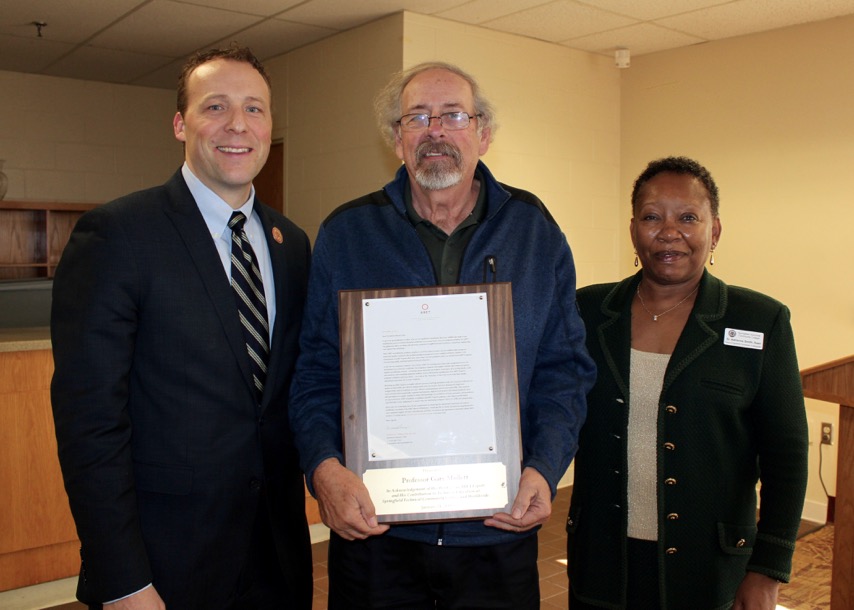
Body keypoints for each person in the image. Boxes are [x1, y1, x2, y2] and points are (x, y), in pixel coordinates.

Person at [287, 61, 595, 609]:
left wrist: (545, 469)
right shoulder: (347, 233)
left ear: (484, 133)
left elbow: (565, 370)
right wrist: (323, 467)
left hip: (497, 533)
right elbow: (314, 371)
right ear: (396, 138)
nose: (436, 130)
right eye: (418, 117)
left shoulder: (534, 230)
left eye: (453, 115)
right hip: (378, 537)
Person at [50, 44, 313, 610]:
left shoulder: (291, 245)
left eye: (254, 108)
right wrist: (122, 579)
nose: (237, 124)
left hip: (277, 557)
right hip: (165, 565)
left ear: (269, 125)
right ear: (180, 123)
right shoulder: (118, 235)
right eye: (215, 106)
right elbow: (89, 423)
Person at [566, 156, 809, 609]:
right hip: (602, 564)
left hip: (709, 570)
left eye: (688, 217)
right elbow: (549, 409)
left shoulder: (760, 320)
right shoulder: (587, 312)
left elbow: (787, 453)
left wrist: (768, 569)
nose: (668, 231)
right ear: (633, 228)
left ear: (714, 231)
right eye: (652, 216)